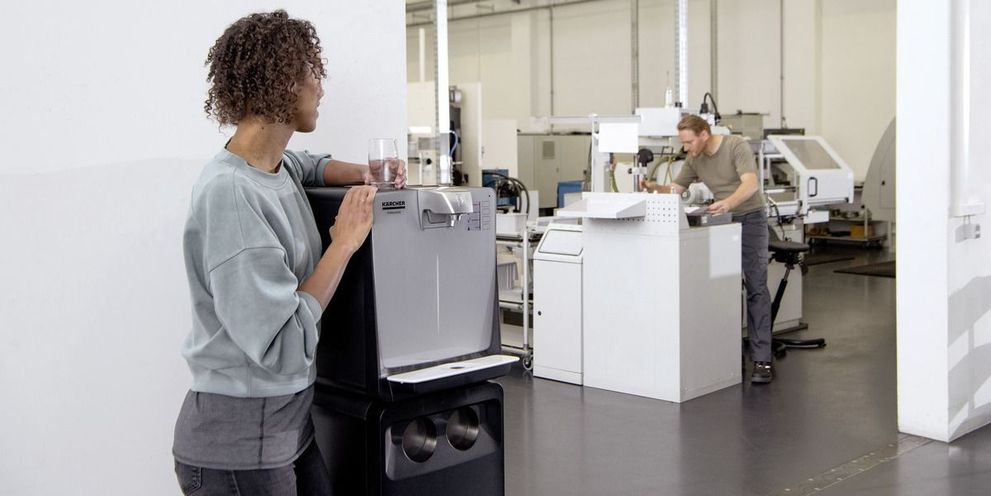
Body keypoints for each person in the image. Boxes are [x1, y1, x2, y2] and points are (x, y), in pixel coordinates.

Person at [172, 10, 406, 495]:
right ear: (280, 81)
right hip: (237, 451)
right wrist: (344, 243)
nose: (320, 88)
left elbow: (307, 165)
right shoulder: (231, 195)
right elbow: (281, 347)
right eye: (311, 73)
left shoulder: (269, 167)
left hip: (288, 433)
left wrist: (364, 172)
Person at [641, 115, 773, 384]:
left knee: (756, 286)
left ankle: (762, 359)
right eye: (683, 143)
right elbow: (676, 189)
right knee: (725, 287)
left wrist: (728, 203)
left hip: (751, 219)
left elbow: (751, 184)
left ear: (704, 134)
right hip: (724, 222)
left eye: (689, 142)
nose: (685, 148)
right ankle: (729, 353)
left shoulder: (736, 145)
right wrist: (655, 188)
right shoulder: (694, 158)